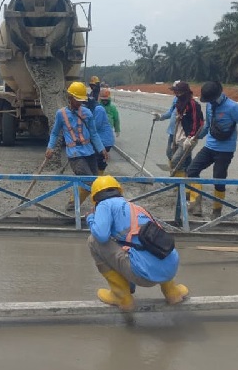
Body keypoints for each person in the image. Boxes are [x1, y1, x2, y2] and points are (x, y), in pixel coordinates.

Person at [87, 175, 188, 310]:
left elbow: (101, 236)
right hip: (171, 270)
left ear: (95, 198)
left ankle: (122, 296)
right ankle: (172, 292)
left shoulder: (104, 205)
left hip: (144, 276)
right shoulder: (135, 207)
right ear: (119, 191)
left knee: (93, 241)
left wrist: (91, 218)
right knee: (142, 245)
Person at [186, 81, 238, 218]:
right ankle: (196, 203)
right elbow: (207, 126)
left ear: (218, 95)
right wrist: (194, 138)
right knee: (192, 170)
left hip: (225, 151)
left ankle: (217, 210)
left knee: (219, 180)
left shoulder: (233, 107)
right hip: (209, 147)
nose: (209, 102)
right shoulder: (210, 106)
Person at [45, 81, 108, 212]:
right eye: (77, 100)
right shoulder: (61, 114)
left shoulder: (87, 113)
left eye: (81, 100)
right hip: (75, 155)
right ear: (70, 97)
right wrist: (50, 148)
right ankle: (103, 208)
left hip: (89, 152)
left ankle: (73, 204)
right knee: (92, 182)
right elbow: (55, 133)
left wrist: (102, 149)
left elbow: (94, 133)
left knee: (92, 181)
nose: (79, 103)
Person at [153, 81, 203, 177]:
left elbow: (198, 122)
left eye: (178, 92)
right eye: (175, 92)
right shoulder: (178, 102)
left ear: (184, 92)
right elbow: (171, 112)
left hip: (187, 137)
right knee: (179, 158)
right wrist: (160, 117)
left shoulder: (193, 104)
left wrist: (191, 137)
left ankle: (180, 184)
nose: (176, 94)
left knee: (177, 160)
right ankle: (183, 181)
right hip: (177, 134)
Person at [93, 100, 114, 176]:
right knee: (97, 160)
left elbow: (96, 126)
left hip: (104, 140)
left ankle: (99, 178)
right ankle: (98, 177)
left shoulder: (99, 109)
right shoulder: (96, 109)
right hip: (100, 139)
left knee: (99, 160)